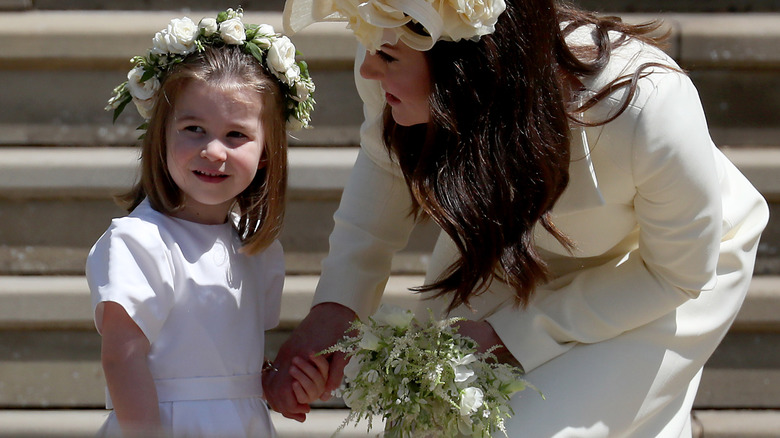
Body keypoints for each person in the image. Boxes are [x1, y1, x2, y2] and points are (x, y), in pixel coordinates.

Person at [265, 0, 771, 436]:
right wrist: (335, 310)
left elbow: (677, 274)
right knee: (434, 419)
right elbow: (383, 169)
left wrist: (510, 333)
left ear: (469, 65)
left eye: (387, 57)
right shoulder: (393, 43)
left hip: (661, 272)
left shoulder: (645, 107)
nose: (369, 70)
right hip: (518, 243)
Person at [87, 9, 323, 437]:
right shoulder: (140, 242)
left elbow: (228, 363)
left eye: (236, 135)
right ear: (162, 136)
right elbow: (122, 358)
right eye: (194, 128)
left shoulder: (255, 248)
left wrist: (270, 383)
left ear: (266, 152)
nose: (214, 151)